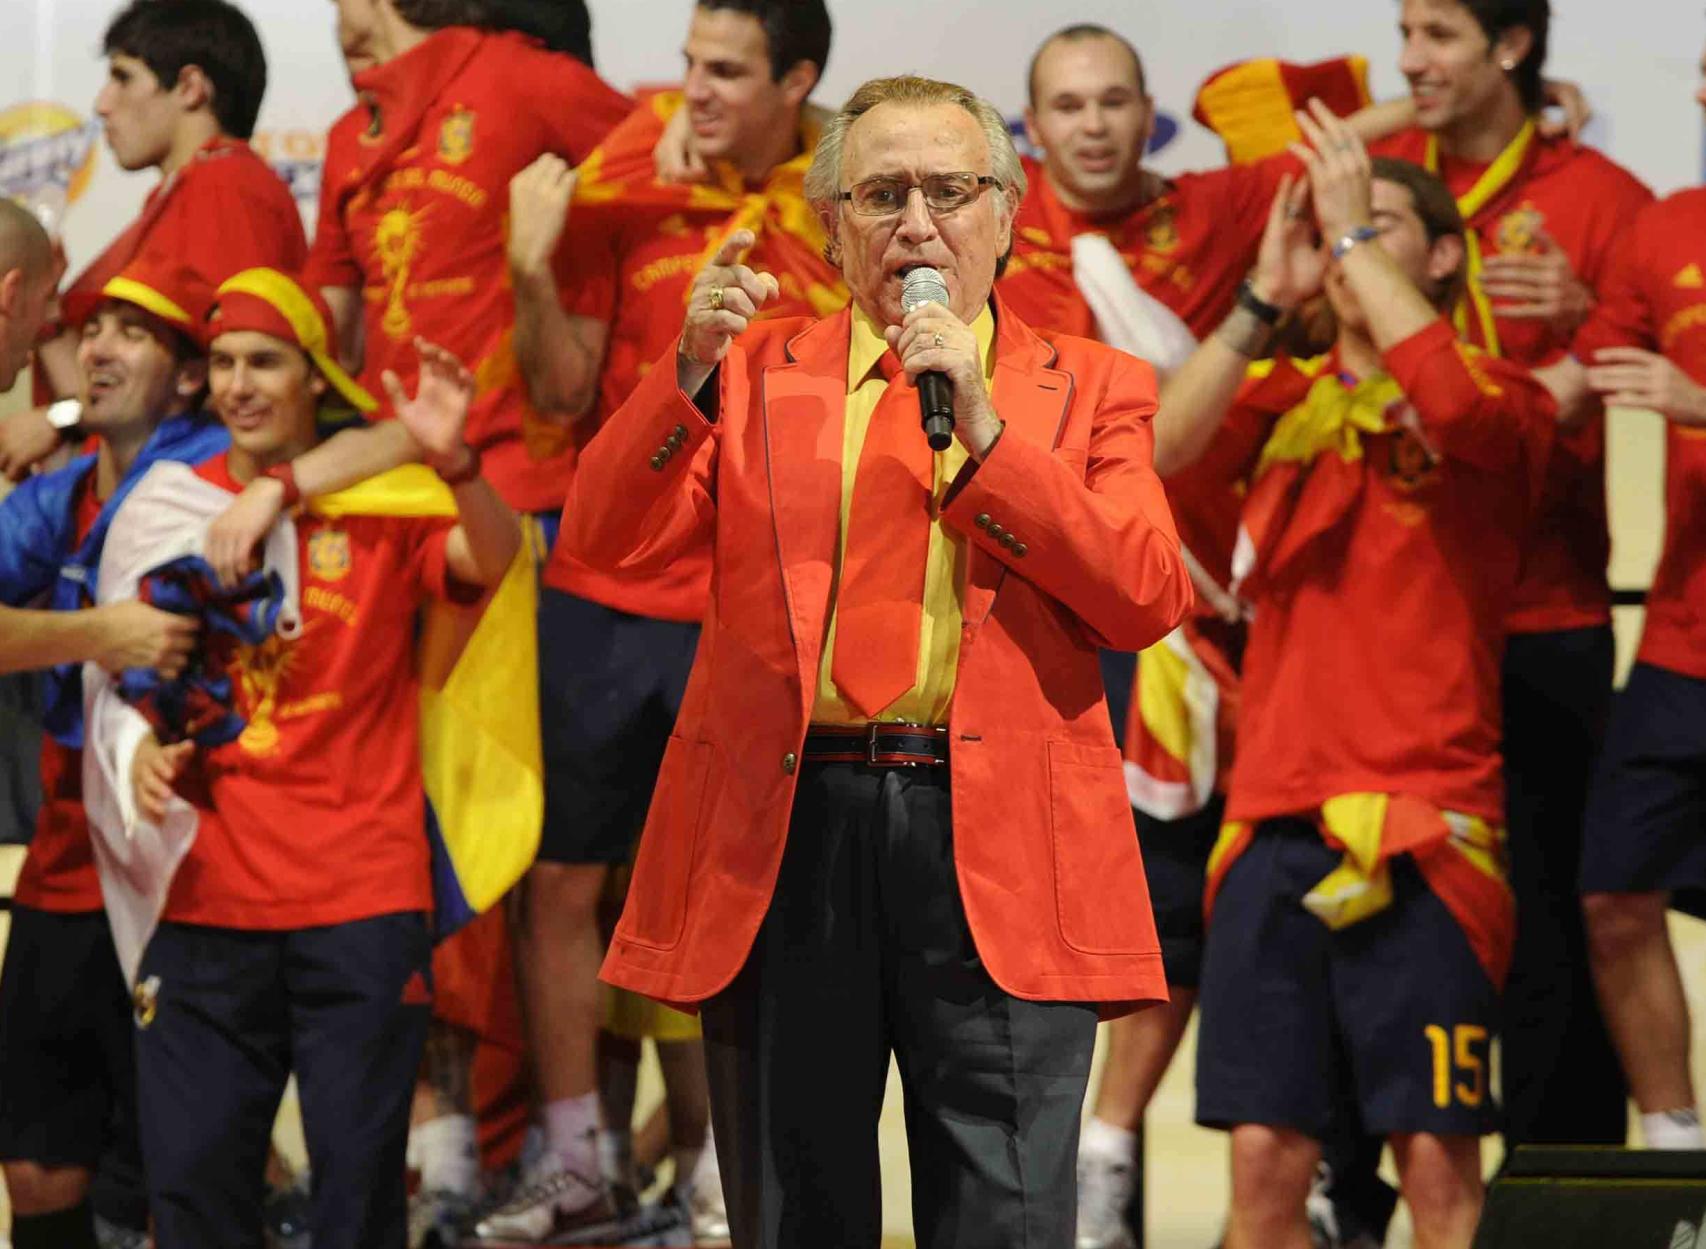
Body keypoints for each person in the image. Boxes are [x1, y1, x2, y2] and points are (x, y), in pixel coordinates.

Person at [559, 73, 1191, 1248]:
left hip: (999, 838)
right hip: (787, 830)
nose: (915, 224)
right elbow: (600, 539)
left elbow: (1144, 593)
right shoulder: (748, 373)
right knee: (795, 1210)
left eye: (949, 190)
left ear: (1006, 214)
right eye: (881, 193)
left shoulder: (1091, 388)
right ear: (826, 223)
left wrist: (989, 433)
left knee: (1001, 1211)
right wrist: (683, 369)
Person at [1168, 108, 1574, 1249]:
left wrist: (1346, 241)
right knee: (1261, 1163)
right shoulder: (1275, 411)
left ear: (1442, 257)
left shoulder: (1508, 400)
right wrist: (1264, 292)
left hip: (1427, 826)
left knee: (1436, 1164)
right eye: (1330, 221)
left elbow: (1443, 404)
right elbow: (1159, 453)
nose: (1343, 237)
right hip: (1270, 823)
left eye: (1378, 223)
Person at [481, 1, 839, 1239]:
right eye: (689, 63)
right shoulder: (628, 179)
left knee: (728, 887)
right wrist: (533, 263)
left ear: (797, 82)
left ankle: (714, 1164)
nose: (694, 89)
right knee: (563, 879)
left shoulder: (846, 202)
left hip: (759, 601)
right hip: (604, 590)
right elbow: (561, 386)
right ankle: (577, 1161)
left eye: (728, 71)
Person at [91, 268, 520, 1249]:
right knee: (194, 1192)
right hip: (201, 900)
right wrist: (136, 749)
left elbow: (489, 564)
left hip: (358, 902)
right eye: (227, 363)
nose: (241, 384)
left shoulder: (386, 500)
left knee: (357, 1198)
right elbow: (113, 671)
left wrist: (457, 469)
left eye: (266, 363)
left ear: (311, 378)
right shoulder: (161, 504)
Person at [1370, 0, 1652, 1149]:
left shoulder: (1602, 199)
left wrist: (1586, 317)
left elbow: (1646, 354)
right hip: (1398, 617)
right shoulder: (1379, 184)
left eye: (1436, 35)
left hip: (1542, 613)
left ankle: (1565, 1180)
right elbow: (1249, 132)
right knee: (1389, 907)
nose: (1408, 59)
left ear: (1511, 42)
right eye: (1403, 34)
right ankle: (1372, 1181)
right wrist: (1425, 103)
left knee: (1550, 915)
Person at [0, 257, 214, 1249]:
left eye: (132, 330)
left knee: (173, 1168)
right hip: (64, 852)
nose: (95, 347)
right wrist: (102, 632)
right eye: (91, 327)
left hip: (184, 863)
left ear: (188, 374)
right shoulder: (69, 487)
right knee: (38, 1165)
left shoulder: (221, 479)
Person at [0, 0, 306, 481]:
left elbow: (223, 383)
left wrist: (63, 418)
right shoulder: (182, 194)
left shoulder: (227, 188)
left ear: (190, 87)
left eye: (123, 78)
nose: (102, 103)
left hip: (188, 503)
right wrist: (53, 318)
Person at [1574, 40, 1706, 1150]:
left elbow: (1673, 391)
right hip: (1676, 643)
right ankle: (1673, 1145)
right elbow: (1585, 355)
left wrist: (1699, 404)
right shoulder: (1667, 225)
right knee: (1614, 892)